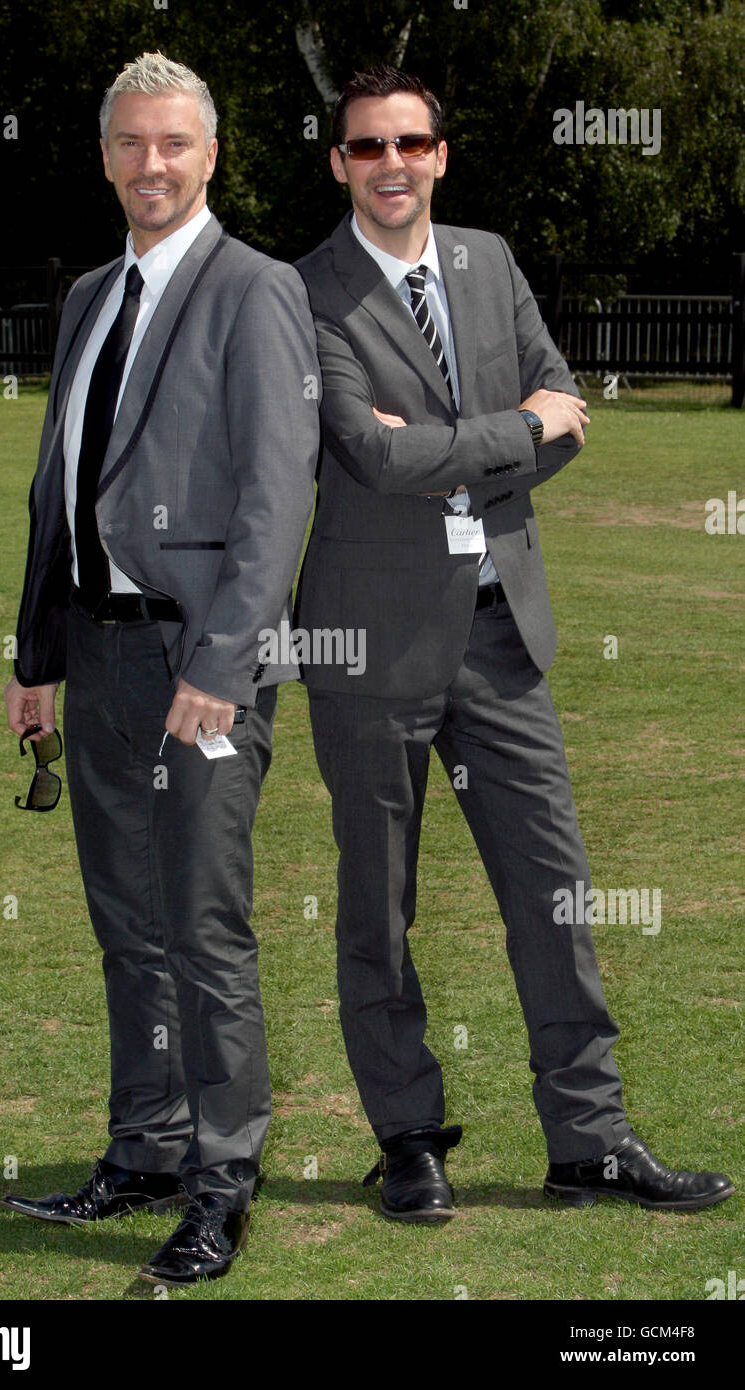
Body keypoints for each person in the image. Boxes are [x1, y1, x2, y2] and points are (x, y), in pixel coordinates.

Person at [295, 65, 733, 1223]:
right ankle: (405, 1140)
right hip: (368, 646)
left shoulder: (488, 262)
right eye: (367, 147)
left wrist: (466, 437)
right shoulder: (306, 293)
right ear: (338, 162)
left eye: (411, 143)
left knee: (554, 889)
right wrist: (506, 434)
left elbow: (565, 416)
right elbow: (365, 454)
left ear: (441, 152)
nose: (392, 164)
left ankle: (586, 1141)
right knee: (374, 906)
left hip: (499, 636)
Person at [1, 52, 319, 1284]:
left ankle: (222, 1180)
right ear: (103, 156)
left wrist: (221, 666)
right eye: (130, 144)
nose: (151, 164)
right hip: (96, 655)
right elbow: (55, 490)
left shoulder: (255, 290)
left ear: (212, 154)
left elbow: (273, 496)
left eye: (173, 143)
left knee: (202, 928)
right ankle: (144, 1148)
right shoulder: (89, 294)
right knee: (126, 925)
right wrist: (37, 655)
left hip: (200, 668)